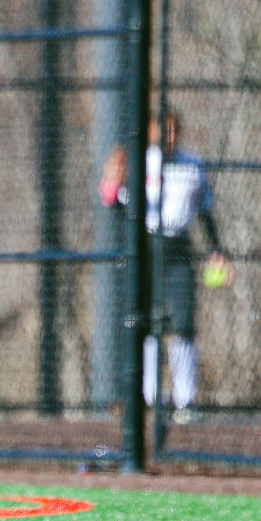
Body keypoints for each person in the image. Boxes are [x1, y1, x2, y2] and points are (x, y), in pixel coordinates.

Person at [101, 111, 226, 422]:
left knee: (183, 323)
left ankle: (186, 402)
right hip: (146, 246)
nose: (169, 137)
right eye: (162, 130)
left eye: (173, 131)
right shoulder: (140, 161)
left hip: (178, 248)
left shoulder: (192, 163)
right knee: (148, 324)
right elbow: (116, 204)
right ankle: (150, 397)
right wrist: (111, 184)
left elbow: (205, 211)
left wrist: (216, 250)